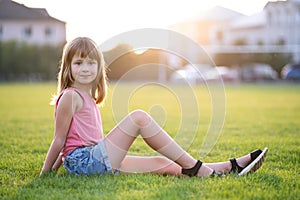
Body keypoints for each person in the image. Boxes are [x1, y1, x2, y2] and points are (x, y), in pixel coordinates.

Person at [40, 37, 268, 178]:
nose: (86, 68)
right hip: (86, 163)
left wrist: (64, 164)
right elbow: (60, 141)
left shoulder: (86, 97)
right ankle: (202, 170)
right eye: (79, 63)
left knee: (164, 164)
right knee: (139, 117)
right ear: (68, 67)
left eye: (91, 62)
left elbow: (69, 143)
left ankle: (229, 167)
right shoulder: (70, 96)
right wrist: (45, 174)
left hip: (92, 159)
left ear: (99, 68)